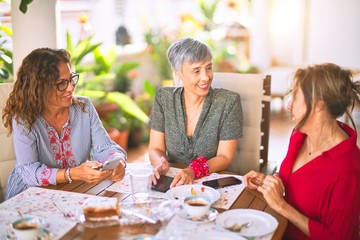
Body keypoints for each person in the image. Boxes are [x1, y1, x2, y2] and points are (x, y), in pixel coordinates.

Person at [243, 63, 360, 239]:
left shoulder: (348, 170)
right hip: (277, 228)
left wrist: (282, 206)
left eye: (295, 96)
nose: (289, 105)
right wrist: (268, 183)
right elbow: (295, 182)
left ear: (318, 105)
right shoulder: (300, 134)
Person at [2, 48, 127, 200]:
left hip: (72, 189)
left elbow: (106, 147)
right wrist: (72, 173)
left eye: (71, 79)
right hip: (29, 193)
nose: (71, 88)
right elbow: (29, 172)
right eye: (61, 83)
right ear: (39, 87)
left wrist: (116, 161)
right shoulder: (24, 118)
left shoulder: (84, 108)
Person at [149, 37, 243, 187]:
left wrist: (193, 170)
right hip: (174, 183)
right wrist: (159, 164)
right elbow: (156, 148)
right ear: (178, 72)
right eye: (196, 70)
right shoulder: (163, 98)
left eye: (209, 67)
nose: (206, 77)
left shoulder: (228, 102)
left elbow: (224, 156)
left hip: (213, 184)